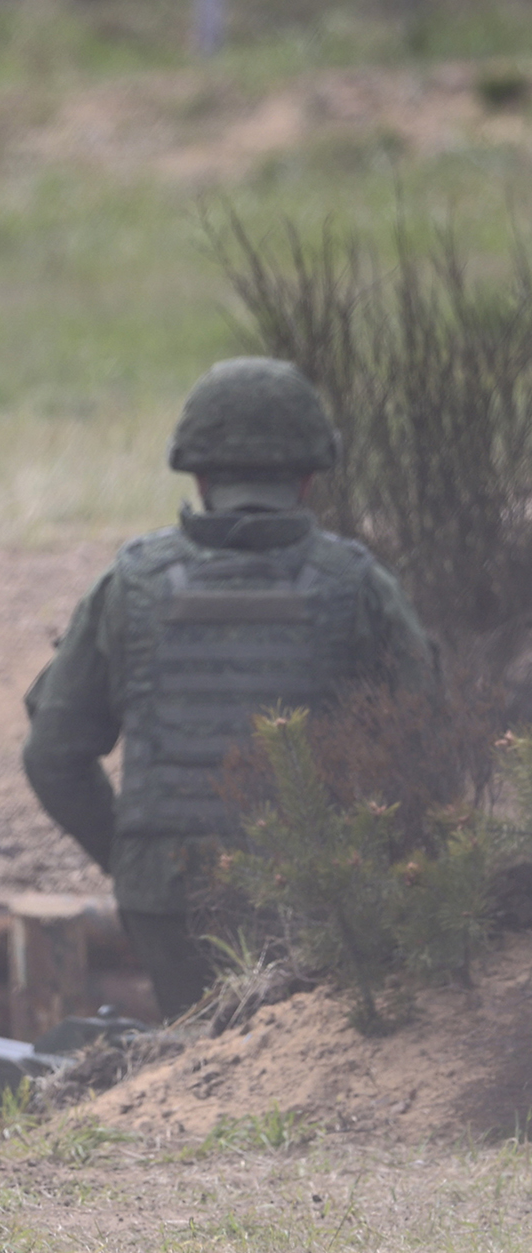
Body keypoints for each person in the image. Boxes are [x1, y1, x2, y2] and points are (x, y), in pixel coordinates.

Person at [21, 357, 435, 1018]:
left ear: (200, 475)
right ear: (308, 478)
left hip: (169, 893)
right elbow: (429, 744)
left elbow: (53, 753)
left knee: (201, 1066)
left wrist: (132, 857)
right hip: (321, 893)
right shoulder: (358, 585)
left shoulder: (131, 583)